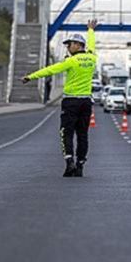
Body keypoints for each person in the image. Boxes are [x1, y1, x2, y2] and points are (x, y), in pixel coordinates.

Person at [23, 19, 98, 177]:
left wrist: (31, 76)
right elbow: (92, 44)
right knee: (83, 134)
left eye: (70, 44)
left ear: (77, 45)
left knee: (67, 132)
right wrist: (90, 30)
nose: (68, 47)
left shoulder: (70, 61)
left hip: (71, 101)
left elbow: (50, 70)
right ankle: (80, 164)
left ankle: (69, 161)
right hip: (86, 102)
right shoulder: (92, 58)